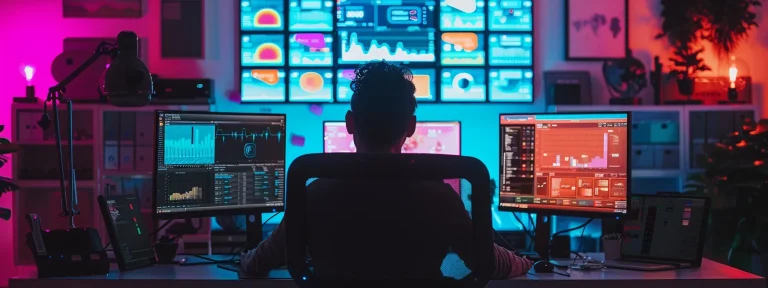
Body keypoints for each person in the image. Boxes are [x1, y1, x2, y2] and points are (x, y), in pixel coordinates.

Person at [240, 61, 532, 279]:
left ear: (350, 123)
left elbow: (257, 264)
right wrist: (527, 263)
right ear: (411, 127)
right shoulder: (438, 196)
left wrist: (242, 258)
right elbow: (487, 262)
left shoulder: (314, 193)